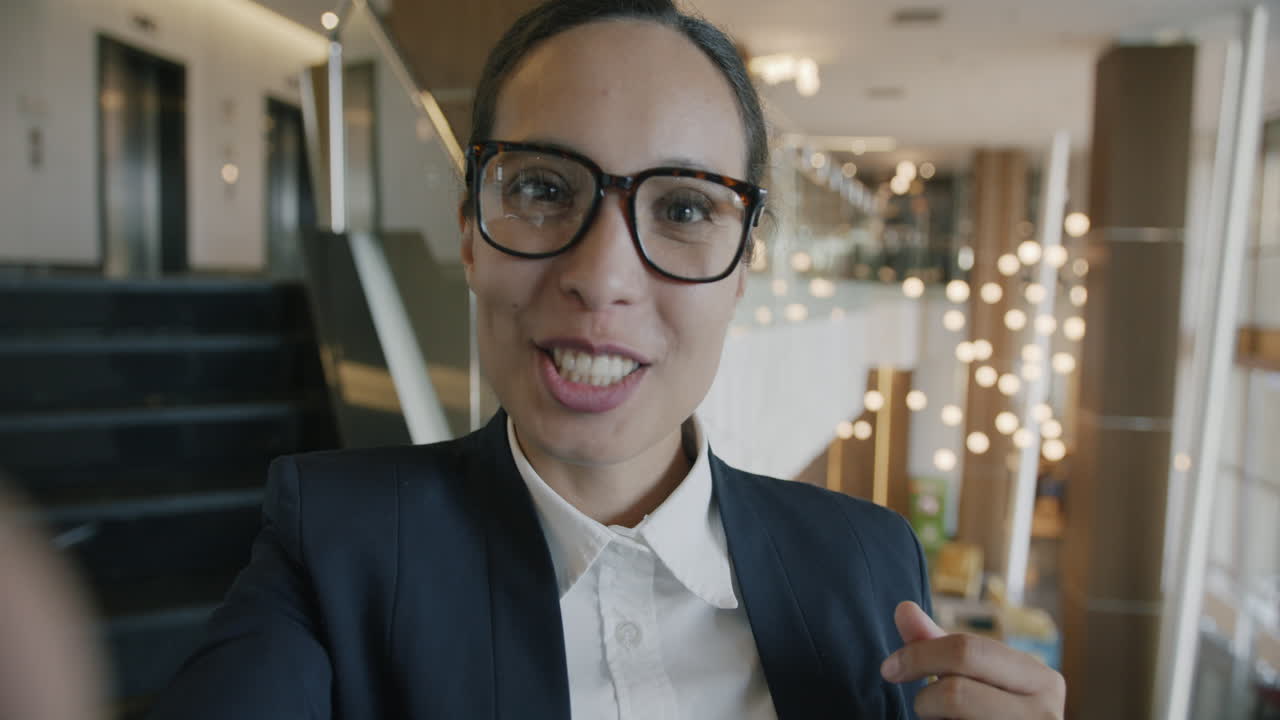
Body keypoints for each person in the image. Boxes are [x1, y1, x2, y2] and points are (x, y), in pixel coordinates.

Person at [150, 0, 1065, 717]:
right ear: (469, 234)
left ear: (744, 267)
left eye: (683, 208)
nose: (601, 278)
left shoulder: (869, 557)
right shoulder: (336, 545)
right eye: (544, 189)